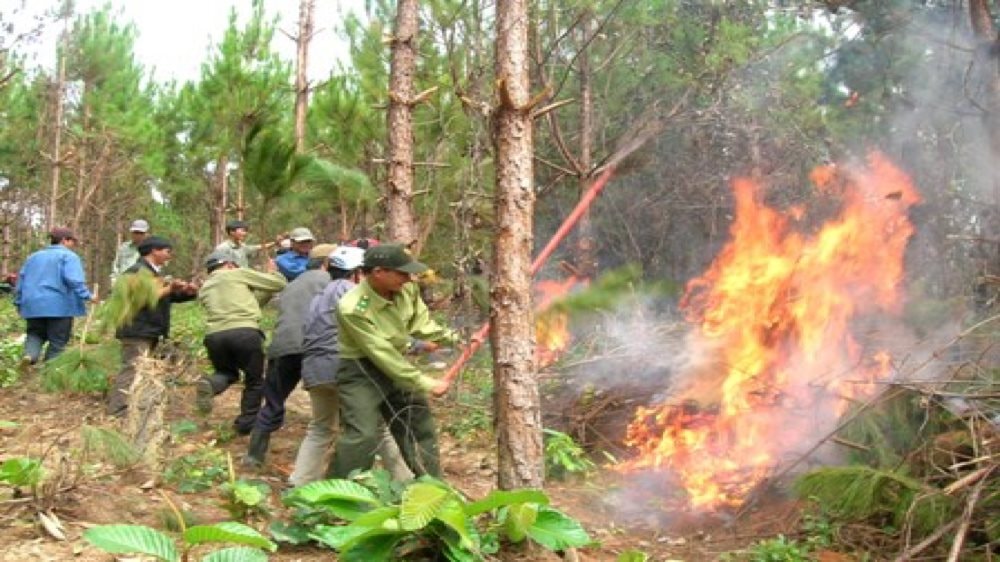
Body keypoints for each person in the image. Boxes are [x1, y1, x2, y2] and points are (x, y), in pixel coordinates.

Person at [328, 243, 462, 479]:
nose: (409, 279)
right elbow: (381, 353)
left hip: (397, 363)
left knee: (418, 425)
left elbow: (422, 326)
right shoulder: (352, 308)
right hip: (361, 369)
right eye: (402, 273)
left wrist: (457, 339)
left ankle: (433, 489)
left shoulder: (406, 291)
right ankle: (339, 498)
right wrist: (427, 383)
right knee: (363, 434)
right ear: (379, 272)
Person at [289, 246, 410, 485]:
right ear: (357, 273)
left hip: (315, 368)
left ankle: (299, 482)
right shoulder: (356, 295)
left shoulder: (318, 297)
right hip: (346, 367)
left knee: (321, 428)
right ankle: (404, 481)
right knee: (377, 427)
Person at [244, 242, 338, 468]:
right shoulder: (333, 284)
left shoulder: (292, 284)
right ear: (328, 263)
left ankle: (254, 456)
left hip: (282, 348)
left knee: (274, 402)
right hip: (317, 348)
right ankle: (334, 462)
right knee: (336, 403)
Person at [196, 250, 286, 434]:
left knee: (227, 373)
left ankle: (212, 384)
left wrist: (265, 293)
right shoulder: (236, 273)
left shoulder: (205, 287)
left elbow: (249, 303)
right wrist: (272, 272)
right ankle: (246, 424)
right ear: (230, 264)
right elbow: (279, 284)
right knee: (254, 381)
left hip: (215, 336)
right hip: (245, 334)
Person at [107, 236, 198, 416]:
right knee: (132, 368)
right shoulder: (135, 272)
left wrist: (186, 293)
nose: (169, 255)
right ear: (153, 251)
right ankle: (118, 409)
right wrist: (169, 288)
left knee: (148, 370)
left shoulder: (153, 273)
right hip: (137, 330)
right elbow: (140, 300)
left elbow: (163, 298)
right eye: (166, 251)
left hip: (150, 330)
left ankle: (141, 406)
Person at [14, 227, 93, 368]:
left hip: (33, 305)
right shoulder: (69, 257)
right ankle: (50, 369)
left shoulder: (33, 257)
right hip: (59, 306)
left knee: (35, 334)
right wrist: (87, 296)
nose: (73, 245)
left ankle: (30, 355)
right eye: (72, 241)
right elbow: (73, 280)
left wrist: (19, 302)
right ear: (64, 240)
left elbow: (21, 281)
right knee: (58, 340)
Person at [110, 219, 150, 285]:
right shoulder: (124, 248)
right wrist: (114, 282)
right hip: (123, 285)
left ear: (146, 234)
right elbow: (116, 266)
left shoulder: (151, 249)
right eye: (136, 232)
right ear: (131, 232)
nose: (138, 235)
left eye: (141, 233)